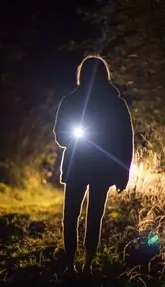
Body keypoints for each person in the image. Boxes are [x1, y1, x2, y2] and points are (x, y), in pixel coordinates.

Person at [52, 55, 134, 273]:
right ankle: (80, 263)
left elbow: (125, 139)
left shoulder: (74, 100)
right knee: (86, 216)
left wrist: (124, 172)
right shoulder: (114, 103)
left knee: (76, 215)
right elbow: (126, 141)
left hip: (85, 167)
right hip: (96, 168)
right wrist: (123, 172)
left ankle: (79, 263)